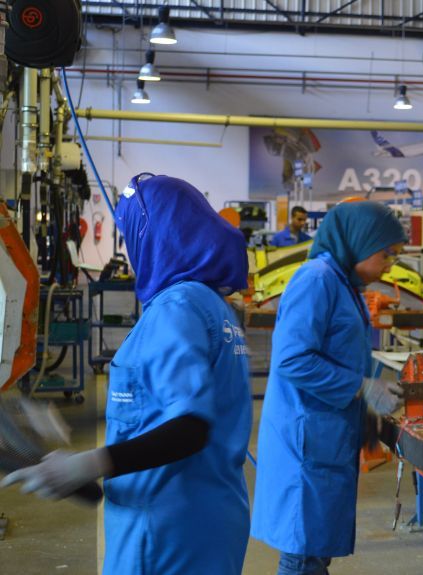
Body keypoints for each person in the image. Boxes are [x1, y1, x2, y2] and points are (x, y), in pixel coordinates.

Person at [1, 174, 253, 575]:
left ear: (155, 236)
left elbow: (190, 427)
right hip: (209, 518)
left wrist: (88, 464)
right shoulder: (210, 304)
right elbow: (152, 402)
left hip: (165, 532)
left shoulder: (176, 308)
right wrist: (70, 421)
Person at [252, 200, 407, 575]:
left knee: (314, 550)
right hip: (305, 438)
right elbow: (292, 359)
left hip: (327, 432)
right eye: (386, 254)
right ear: (360, 241)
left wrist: (366, 417)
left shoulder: (345, 283)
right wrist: (361, 387)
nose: (390, 264)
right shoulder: (317, 279)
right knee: (303, 554)